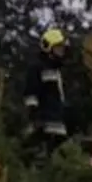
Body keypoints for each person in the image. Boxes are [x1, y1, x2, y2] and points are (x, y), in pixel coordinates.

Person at [23, 28, 70, 156]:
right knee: (45, 157)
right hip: (45, 123)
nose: (61, 51)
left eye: (62, 48)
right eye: (58, 47)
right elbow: (31, 93)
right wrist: (34, 118)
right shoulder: (37, 67)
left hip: (58, 122)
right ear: (48, 47)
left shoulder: (57, 70)